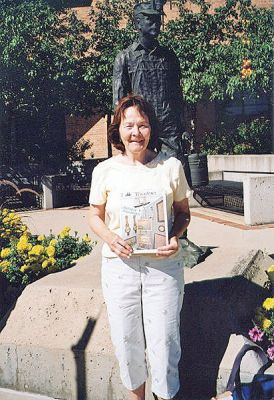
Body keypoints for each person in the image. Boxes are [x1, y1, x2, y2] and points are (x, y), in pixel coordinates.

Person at [88, 95, 190, 400]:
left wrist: (175, 236)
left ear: (151, 129)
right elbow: (94, 215)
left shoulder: (170, 167)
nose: (136, 132)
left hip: (163, 269)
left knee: (165, 341)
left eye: (142, 125)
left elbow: (184, 212)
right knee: (126, 341)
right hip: (120, 268)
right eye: (129, 125)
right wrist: (109, 237)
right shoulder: (105, 171)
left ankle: (164, 396)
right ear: (118, 129)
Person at [113, 0, 185, 160]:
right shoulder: (125, 58)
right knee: (142, 174)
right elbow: (120, 103)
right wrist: (123, 131)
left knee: (175, 171)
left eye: (158, 19)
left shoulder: (169, 57)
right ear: (138, 22)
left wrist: (183, 126)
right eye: (150, 19)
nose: (156, 24)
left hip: (168, 127)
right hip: (140, 127)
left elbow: (178, 96)